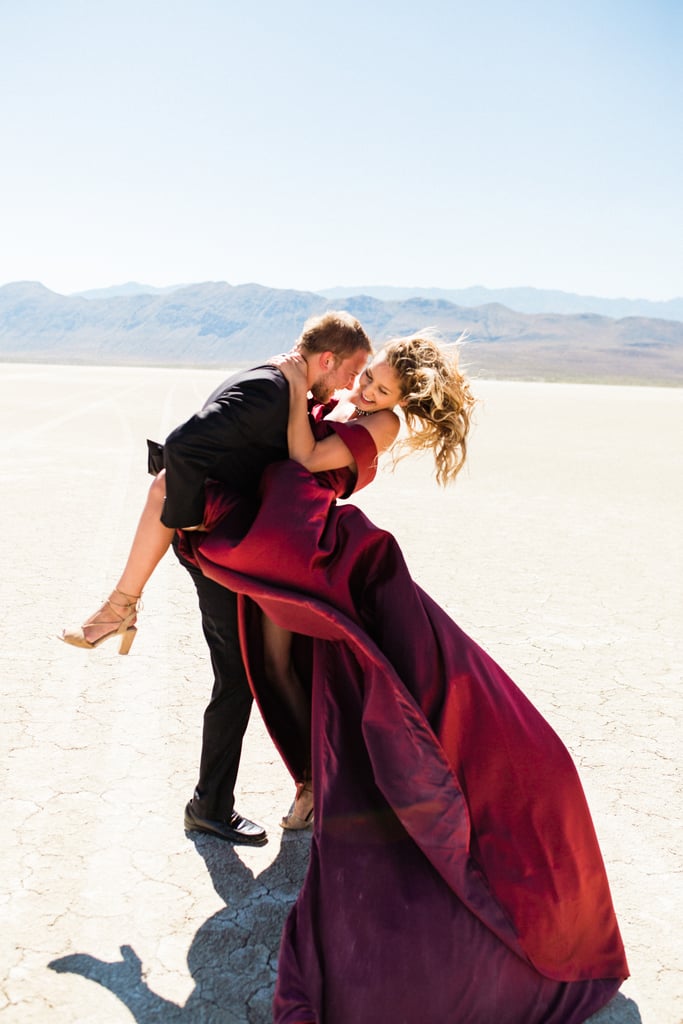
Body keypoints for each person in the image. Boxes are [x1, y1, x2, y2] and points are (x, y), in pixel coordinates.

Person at [176, 335, 628, 1022]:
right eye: (369, 381)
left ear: (401, 403)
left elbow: (302, 455)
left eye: (379, 390)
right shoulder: (352, 405)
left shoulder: (378, 427)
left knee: (368, 687)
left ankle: (327, 791)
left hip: (317, 559)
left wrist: (300, 386)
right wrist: (310, 389)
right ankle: (309, 783)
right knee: (279, 671)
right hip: (285, 553)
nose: (366, 394)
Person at [61, 310, 372, 848]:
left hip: (232, 540)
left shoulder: (281, 384)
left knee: (246, 669)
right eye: (352, 371)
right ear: (327, 359)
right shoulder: (270, 390)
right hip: (212, 538)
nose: (351, 385)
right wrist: (185, 519)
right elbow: (182, 447)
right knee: (237, 672)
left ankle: (233, 796)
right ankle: (210, 806)